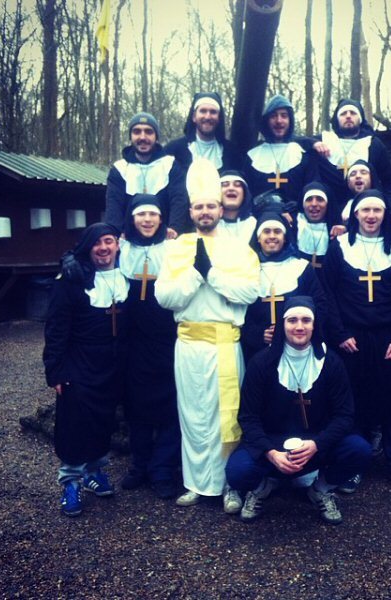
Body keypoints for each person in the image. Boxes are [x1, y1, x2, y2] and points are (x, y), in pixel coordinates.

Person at [154, 158, 260, 513]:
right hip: (188, 344)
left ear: (221, 208)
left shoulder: (238, 247)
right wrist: (195, 276)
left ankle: (231, 485)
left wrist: (212, 275)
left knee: (225, 418)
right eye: (198, 206)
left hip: (225, 345)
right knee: (193, 415)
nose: (204, 211)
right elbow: (165, 298)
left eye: (210, 205)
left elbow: (249, 293)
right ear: (191, 209)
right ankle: (196, 484)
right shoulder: (177, 247)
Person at [226, 296, 372, 524]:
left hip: (315, 443)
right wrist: (270, 453)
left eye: (306, 320)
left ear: (315, 325)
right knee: (237, 472)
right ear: (282, 326)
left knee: (359, 450)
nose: (299, 326)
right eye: (292, 320)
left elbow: (344, 416)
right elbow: (248, 417)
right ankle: (262, 488)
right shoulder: (261, 363)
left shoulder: (331, 363)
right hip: (272, 444)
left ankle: (320, 490)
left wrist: (317, 444)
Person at [323, 189, 391, 492]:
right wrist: (339, 334)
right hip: (351, 338)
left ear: (384, 214)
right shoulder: (338, 246)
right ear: (355, 214)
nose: (371, 216)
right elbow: (327, 295)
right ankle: (355, 465)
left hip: (387, 337)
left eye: (377, 211)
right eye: (365, 211)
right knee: (355, 401)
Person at [43, 223, 128, 517]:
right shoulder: (71, 279)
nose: (103, 248)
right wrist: (56, 369)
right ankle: (71, 482)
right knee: (74, 422)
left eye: (109, 241)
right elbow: (55, 328)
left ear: (118, 245)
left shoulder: (126, 275)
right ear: (87, 247)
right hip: (79, 363)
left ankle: (95, 471)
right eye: (97, 243)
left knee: (103, 420)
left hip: (112, 364)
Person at [118, 194, 180, 499]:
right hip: (132, 342)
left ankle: (161, 469)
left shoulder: (173, 248)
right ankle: (139, 465)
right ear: (131, 218)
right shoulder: (120, 248)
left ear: (161, 219)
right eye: (140, 214)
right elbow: (91, 258)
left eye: (153, 214)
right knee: (137, 407)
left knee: (170, 407)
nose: (146, 220)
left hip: (168, 339)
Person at [241, 211, 328, 362]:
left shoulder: (301, 267)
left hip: (298, 348)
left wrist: (298, 333)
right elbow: (240, 312)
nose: (272, 236)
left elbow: (320, 306)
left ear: (285, 237)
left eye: (277, 231)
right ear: (258, 238)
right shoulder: (246, 270)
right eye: (266, 231)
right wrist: (258, 334)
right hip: (257, 351)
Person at [105, 112, 189, 236]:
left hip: (165, 238)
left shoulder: (170, 165)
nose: (143, 137)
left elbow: (179, 201)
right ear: (130, 136)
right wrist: (117, 233)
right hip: (129, 239)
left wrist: (174, 228)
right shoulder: (119, 169)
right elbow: (114, 208)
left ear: (156, 136)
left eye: (149, 132)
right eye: (137, 131)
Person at [310, 99, 391, 215]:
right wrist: (313, 143)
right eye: (343, 113)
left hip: (367, 212)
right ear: (337, 119)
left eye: (353, 113)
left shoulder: (373, 144)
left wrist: (387, 207)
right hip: (329, 213)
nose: (348, 116)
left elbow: (390, 182)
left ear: (360, 118)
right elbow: (296, 140)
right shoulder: (324, 140)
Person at [243, 95, 318, 211]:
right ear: (266, 121)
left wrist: (299, 206)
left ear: (290, 120)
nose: (279, 121)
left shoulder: (303, 155)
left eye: (284, 116)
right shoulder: (253, 156)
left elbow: (312, 188)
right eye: (273, 116)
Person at [164, 92, 242, 172]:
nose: (208, 117)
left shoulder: (232, 153)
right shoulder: (173, 150)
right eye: (203, 111)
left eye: (213, 112)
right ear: (194, 117)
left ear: (219, 118)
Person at [294, 182, 345, 274]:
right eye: (309, 199)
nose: (314, 204)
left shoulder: (337, 230)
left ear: (327, 204)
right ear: (302, 204)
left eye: (320, 199)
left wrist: (347, 229)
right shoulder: (294, 226)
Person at [216, 170, 256, 243]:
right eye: (225, 185)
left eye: (237, 185)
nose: (231, 188)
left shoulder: (255, 225)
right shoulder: (209, 225)